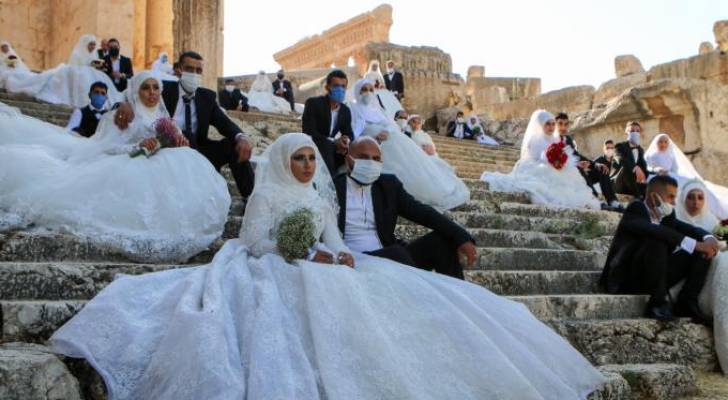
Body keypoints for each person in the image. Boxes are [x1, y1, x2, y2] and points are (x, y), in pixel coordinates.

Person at [50, 132, 608, 400]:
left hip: (329, 262)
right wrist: (310, 254)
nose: (305, 163)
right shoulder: (267, 195)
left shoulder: (320, 198)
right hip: (274, 267)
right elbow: (256, 242)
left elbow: (334, 232)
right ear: (282, 160)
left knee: (391, 291)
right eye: (298, 156)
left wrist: (337, 252)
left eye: (310, 157)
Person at [0, 71, 231, 262]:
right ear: (136, 91)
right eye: (146, 88)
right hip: (132, 165)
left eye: (155, 88)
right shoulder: (123, 115)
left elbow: (175, 141)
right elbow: (108, 147)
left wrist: (178, 142)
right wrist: (138, 147)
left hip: (164, 166)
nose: (152, 93)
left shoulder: (166, 118)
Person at [114, 51, 255, 198]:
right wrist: (124, 104)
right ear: (179, 70)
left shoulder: (206, 97)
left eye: (198, 70)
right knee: (185, 134)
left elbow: (224, 123)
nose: (194, 74)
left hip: (199, 152)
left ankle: (251, 198)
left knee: (234, 145)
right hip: (169, 151)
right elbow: (134, 89)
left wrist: (241, 137)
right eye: (189, 69)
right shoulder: (164, 89)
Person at [336, 136, 472, 278]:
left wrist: (461, 236)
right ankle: (420, 294)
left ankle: (455, 296)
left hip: (392, 255)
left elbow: (422, 212)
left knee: (441, 242)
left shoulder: (388, 185)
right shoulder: (334, 188)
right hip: (356, 260)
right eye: (364, 157)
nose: (370, 163)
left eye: (376, 159)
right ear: (348, 159)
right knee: (397, 253)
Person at [600, 175, 719, 323]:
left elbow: (688, 228)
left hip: (656, 276)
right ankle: (657, 304)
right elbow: (653, 230)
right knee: (658, 240)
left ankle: (686, 302)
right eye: (670, 197)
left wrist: (709, 238)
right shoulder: (636, 208)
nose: (674, 202)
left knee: (701, 251)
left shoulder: (667, 214)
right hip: (627, 279)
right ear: (654, 196)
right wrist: (694, 244)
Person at [350, 79, 469, 210]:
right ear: (358, 91)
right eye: (364, 89)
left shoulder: (378, 110)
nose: (368, 93)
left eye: (371, 90)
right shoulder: (352, 108)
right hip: (370, 144)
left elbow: (390, 124)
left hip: (391, 139)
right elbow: (352, 129)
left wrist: (386, 131)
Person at [482, 110, 600, 209]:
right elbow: (538, 160)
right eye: (547, 124)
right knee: (551, 174)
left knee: (572, 173)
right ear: (541, 125)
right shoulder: (535, 140)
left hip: (554, 166)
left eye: (553, 124)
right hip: (536, 167)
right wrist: (552, 161)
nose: (551, 127)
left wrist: (577, 163)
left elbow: (564, 158)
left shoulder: (556, 139)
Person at [675, 179, 728, 373]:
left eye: (699, 197)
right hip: (683, 274)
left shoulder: (711, 222)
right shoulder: (675, 217)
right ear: (682, 199)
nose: (695, 202)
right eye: (690, 197)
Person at [4, 34, 123, 108]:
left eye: (93, 44)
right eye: (90, 44)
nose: (92, 47)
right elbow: (75, 65)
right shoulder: (77, 53)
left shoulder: (94, 54)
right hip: (78, 72)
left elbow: (92, 63)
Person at [645, 132, 728, 219]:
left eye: (665, 142)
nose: (663, 144)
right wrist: (656, 169)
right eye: (661, 142)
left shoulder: (670, 156)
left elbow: (675, 168)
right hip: (656, 176)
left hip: (671, 175)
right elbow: (647, 166)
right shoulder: (651, 155)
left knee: (693, 183)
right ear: (656, 143)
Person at [555, 112, 620, 210]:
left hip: (575, 171)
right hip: (560, 172)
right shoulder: (550, 139)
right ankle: (595, 199)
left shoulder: (567, 139)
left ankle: (613, 201)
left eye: (566, 124)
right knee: (578, 166)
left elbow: (577, 156)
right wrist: (576, 164)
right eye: (560, 124)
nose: (563, 127)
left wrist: (595, 164)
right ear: (554, 124)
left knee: (602, 168)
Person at [301, 69, 354, 175]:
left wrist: (345, 140)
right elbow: (309, 131)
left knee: (357, 151)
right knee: (327, 146)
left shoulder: (345, 110)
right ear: (327, 87)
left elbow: (349, 133)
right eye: (336, 86)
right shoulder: (313, 103)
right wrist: (333, 141)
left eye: (343, 86)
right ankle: (330, 182)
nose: (340, 89)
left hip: (334, 148)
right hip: (315, 144)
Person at [612, 121, 649, 198]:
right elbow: (621, 160)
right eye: (632, 131)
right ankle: (639, 196)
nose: (635, 133)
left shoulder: (640, 150)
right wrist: (635, 167)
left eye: (637, 131)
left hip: (634, 183)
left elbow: (644, 167)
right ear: (626, 133)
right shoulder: (619, 146)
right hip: (620, 183)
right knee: (626, 168)